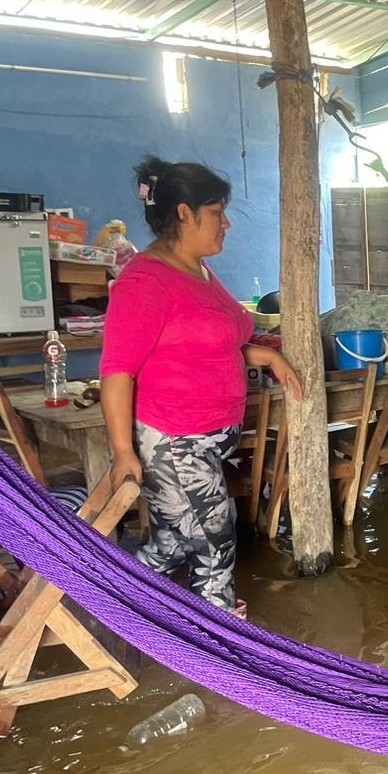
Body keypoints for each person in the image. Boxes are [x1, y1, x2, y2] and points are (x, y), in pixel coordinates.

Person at [100, 156, 302, 617]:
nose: (226, 223)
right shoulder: (146, 281)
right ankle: (224, 646)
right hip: (174, 442)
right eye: (217, 212)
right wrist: (122, 452)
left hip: (209, 441)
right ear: (185, 213)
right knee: (214, 542)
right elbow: (117, 372)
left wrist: (266, 354)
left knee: (176, 538)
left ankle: (118, 599)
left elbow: (214, 342)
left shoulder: (202, 273)